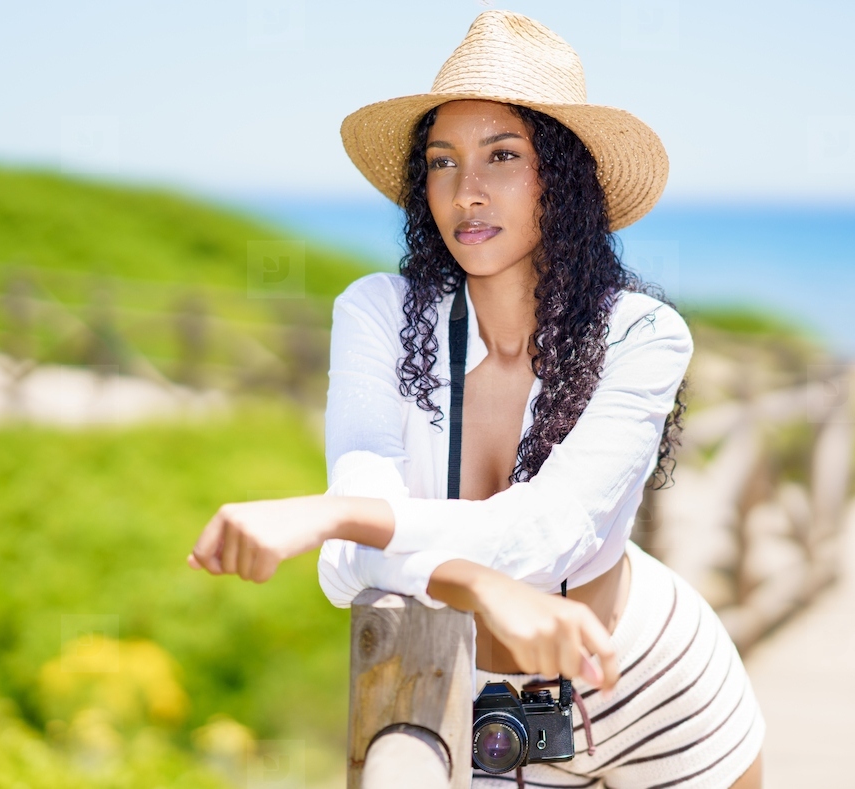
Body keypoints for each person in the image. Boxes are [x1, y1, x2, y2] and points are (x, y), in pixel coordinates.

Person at [188, 10, 765, 788]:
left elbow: (548, 530)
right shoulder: (379, 315)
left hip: (651, 678)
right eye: (442, 161)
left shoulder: (641, 333)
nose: (467, 191)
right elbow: (346, 569)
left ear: (558, 176)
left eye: (502, 156)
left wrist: (328, 512)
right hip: (459, 688)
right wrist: (475, 584)